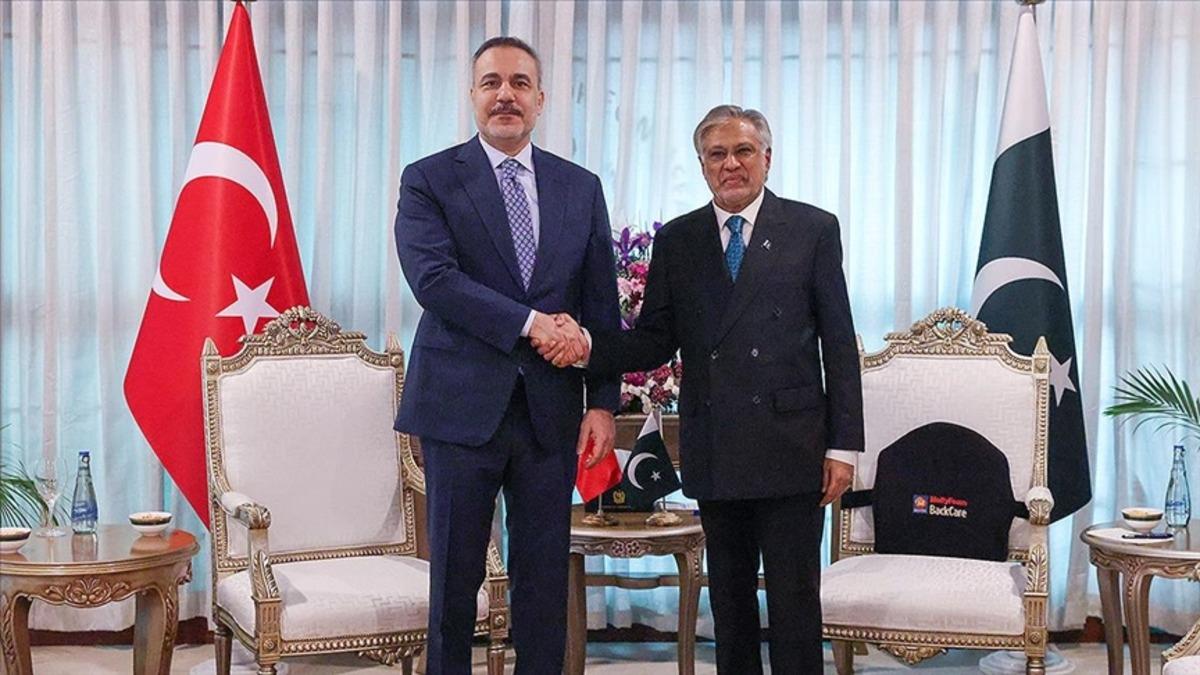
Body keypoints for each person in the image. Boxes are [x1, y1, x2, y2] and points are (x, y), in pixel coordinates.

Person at [538, 105, 864, 674]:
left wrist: (844, 446)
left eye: (743, 151)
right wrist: (587, 344)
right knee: (730, 605)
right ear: (703, 165)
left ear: (767, 158)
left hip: (793, 447)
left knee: (794, 605)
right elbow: (654, 341)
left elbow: (838, 342)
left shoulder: (812, 229)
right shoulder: (679, 239)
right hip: (717, 445)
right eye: (717, 154)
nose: (731, 164)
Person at [393, 36, 619, 675]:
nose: (505, 95)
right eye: (491, 82)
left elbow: (601, 304)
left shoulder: (580, 187)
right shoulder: (429, 179)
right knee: (454, 584)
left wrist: (603, 403)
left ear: (541, 99)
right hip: (459, 409)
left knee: (543, 582)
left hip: (551, 413)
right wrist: (532, 323)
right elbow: (435, 281)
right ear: (472, 95)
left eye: (520, 83)